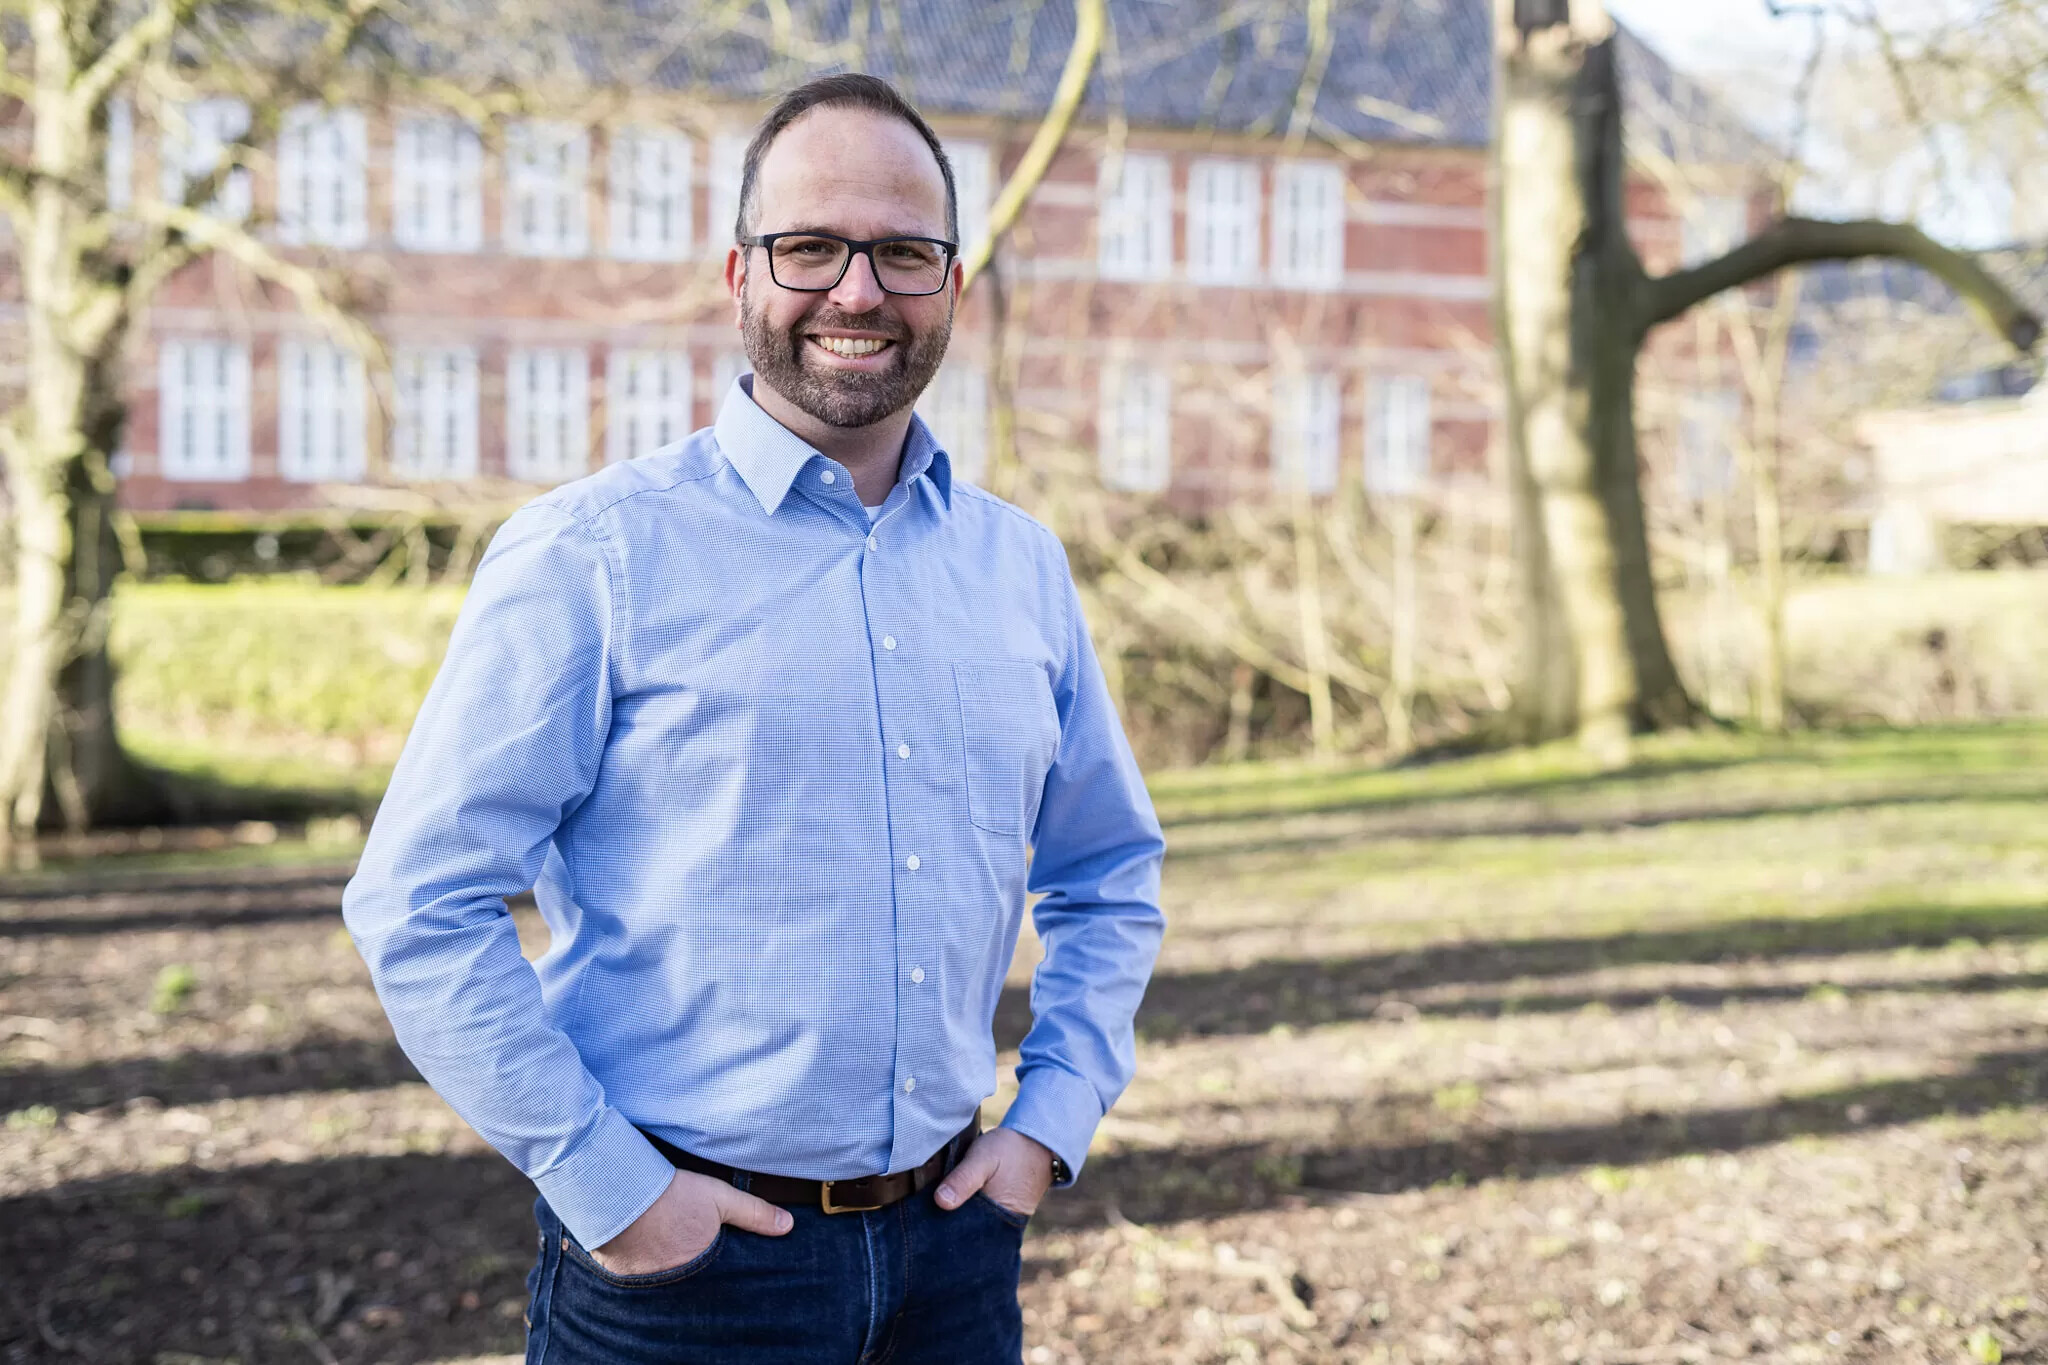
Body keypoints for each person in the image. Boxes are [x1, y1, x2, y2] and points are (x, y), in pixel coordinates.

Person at [341, 71, 1166, 1365]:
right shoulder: (592, 554)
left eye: (902, 251)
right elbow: (419, 899)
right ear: (739, 272)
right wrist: (615, 1192)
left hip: (956, 1256)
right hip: (685, 1277)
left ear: (952, 280)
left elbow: (1109, 869)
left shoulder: (1022, 568)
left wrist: (1048, 1122)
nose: (856, 290)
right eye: (811, 247)